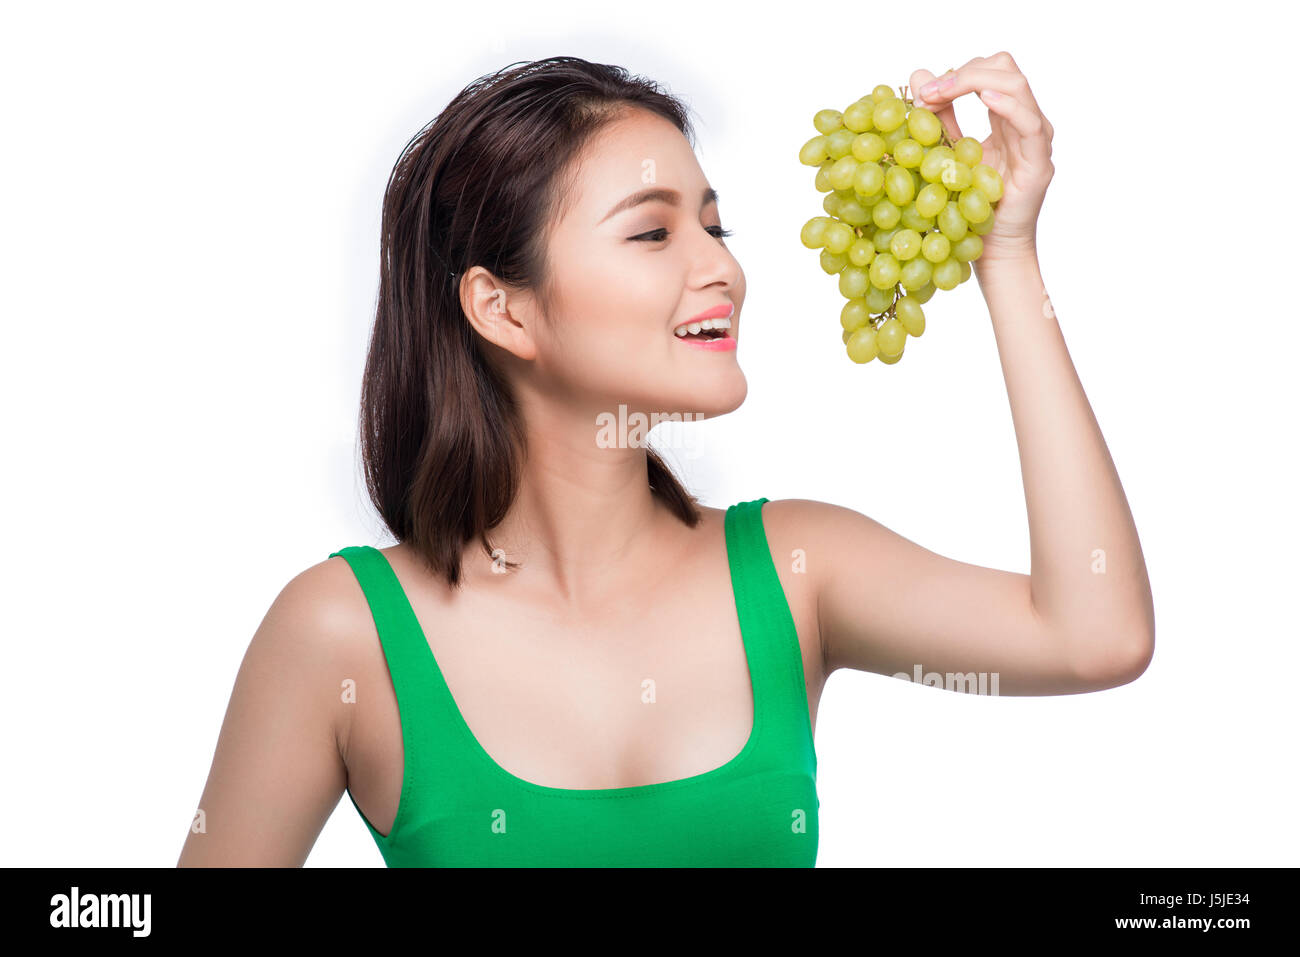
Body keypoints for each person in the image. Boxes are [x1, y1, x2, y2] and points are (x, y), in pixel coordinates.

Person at [178, 53, 1154, 867]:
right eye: (652, 232)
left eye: (714, 224)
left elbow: (1093, 635)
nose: (721, 266)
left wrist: (1008, 257)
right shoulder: (343, 632)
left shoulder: (794, 571)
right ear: (502, 308)